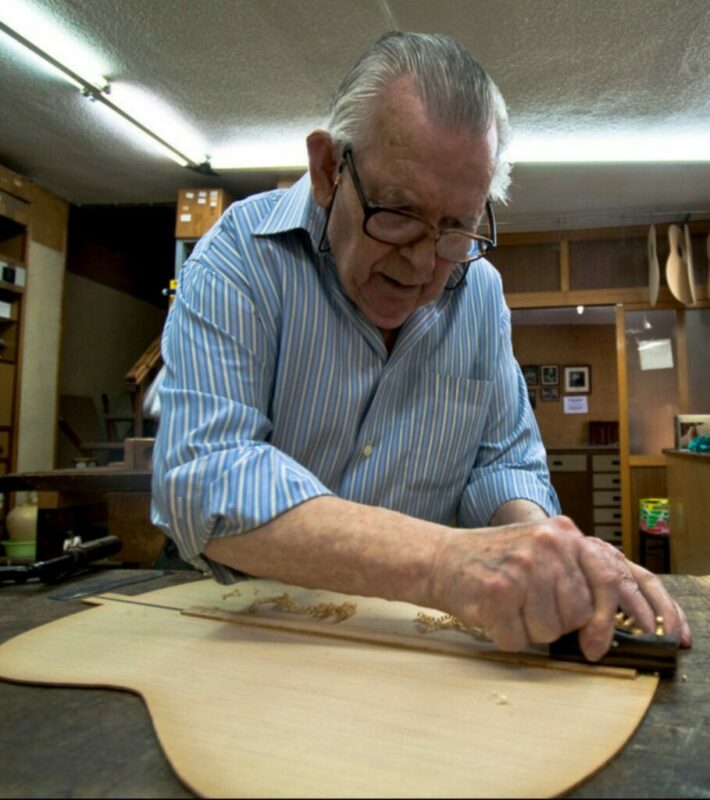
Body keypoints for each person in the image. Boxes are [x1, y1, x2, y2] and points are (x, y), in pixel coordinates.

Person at [151, 31, 691, 660]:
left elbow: (503, 464)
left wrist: (543, 554)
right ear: (329, 171)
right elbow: (207, 477)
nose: (425, 265)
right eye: (400, 212)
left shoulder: (479, 293)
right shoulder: (238, 258)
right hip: (242, 624)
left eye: (458, 226)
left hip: (400, 641)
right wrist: (445, 562)